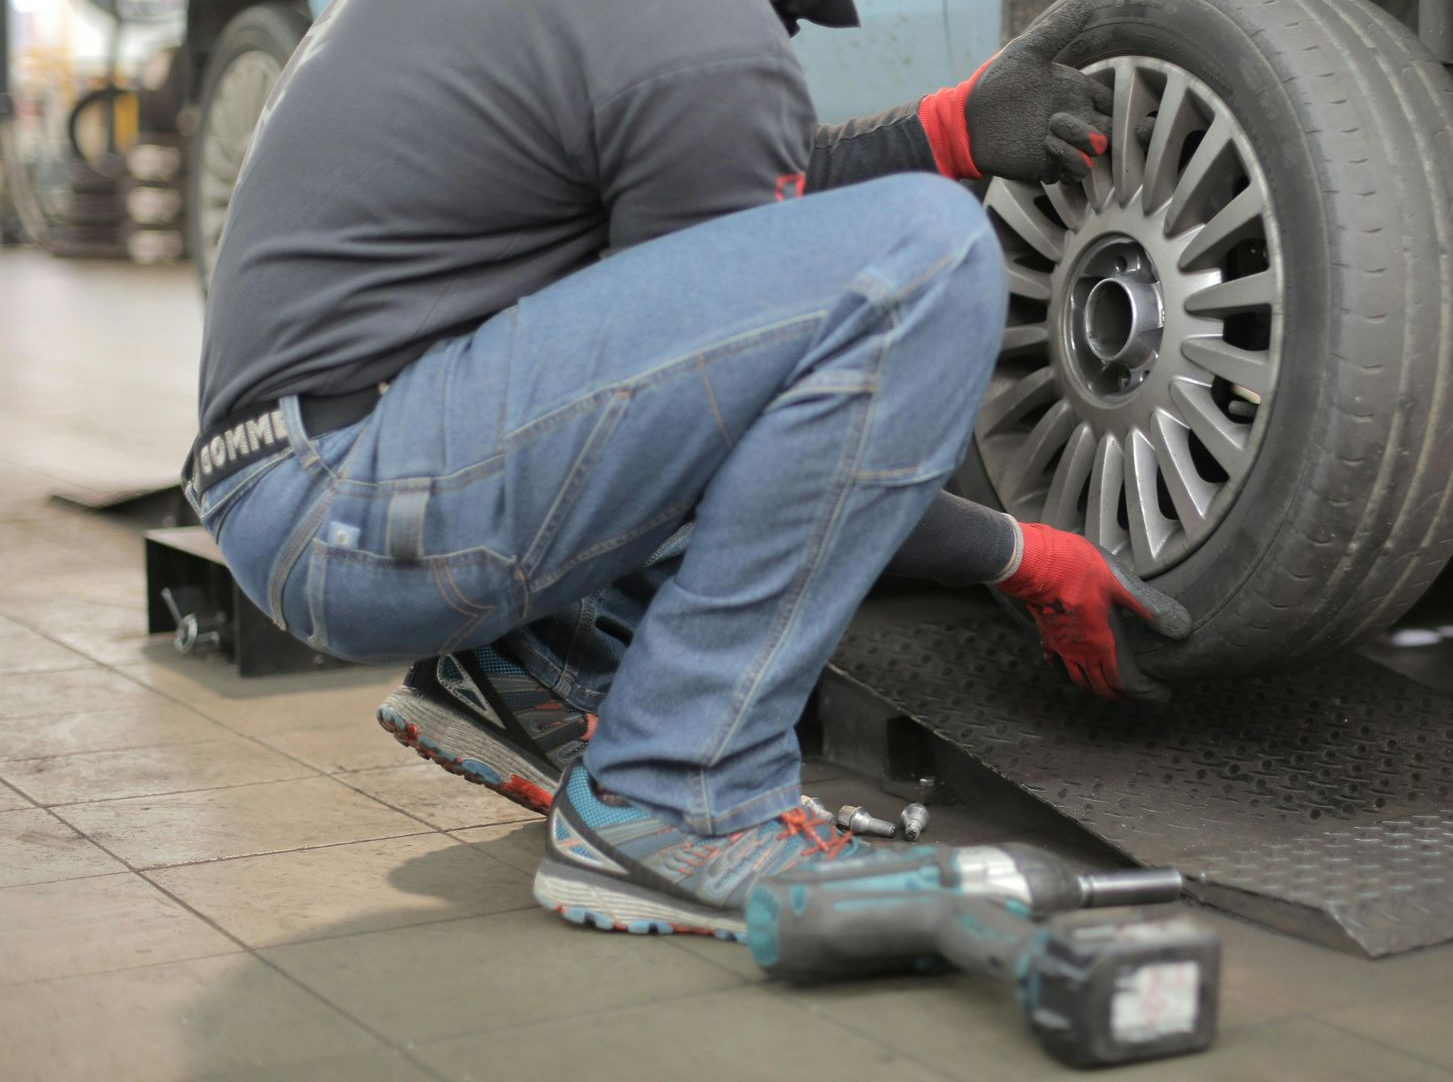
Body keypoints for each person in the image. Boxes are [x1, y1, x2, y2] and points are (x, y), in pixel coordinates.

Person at [183, 0, 1188, 938]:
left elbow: (713, 242)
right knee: (926, 259)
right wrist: (1015, 552)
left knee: (787, 275)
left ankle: (540, 663)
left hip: (308, 476)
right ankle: (682, 792)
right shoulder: (705, 35)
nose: (788, 39)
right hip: (366, 509)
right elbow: (737, 409)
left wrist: (945, 131)